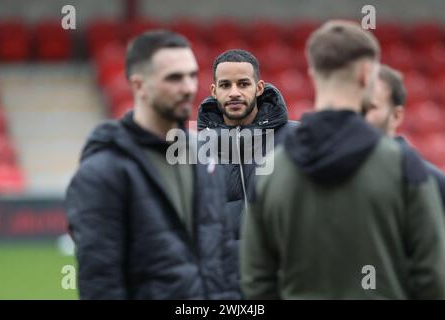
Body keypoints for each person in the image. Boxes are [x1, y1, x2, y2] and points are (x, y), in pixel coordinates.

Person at [240, 20, 445, 299]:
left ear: (313, 74)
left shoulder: (269, 171)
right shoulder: (403, 166)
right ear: (366, 75)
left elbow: (256, 282)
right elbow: (432, 277)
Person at [65, 30, 239, 299]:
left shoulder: (206, 159)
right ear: (139, 85)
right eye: (174, 78)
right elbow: (101, 283)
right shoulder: (102, 172)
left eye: (192, 75)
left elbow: (224, 260)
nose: (189, 88)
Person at [197, 49, 298, 294]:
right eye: (225, 85)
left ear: (259, 87)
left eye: (243, 84)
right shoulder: (194, 149)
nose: (234, 93)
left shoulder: (298, 139)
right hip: (222, 288)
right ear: (214, 91)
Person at [364, 64, 445, 208]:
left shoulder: (432, 182)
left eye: (370, 107)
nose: (358, 115)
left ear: (396, 116)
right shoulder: (330, 171)